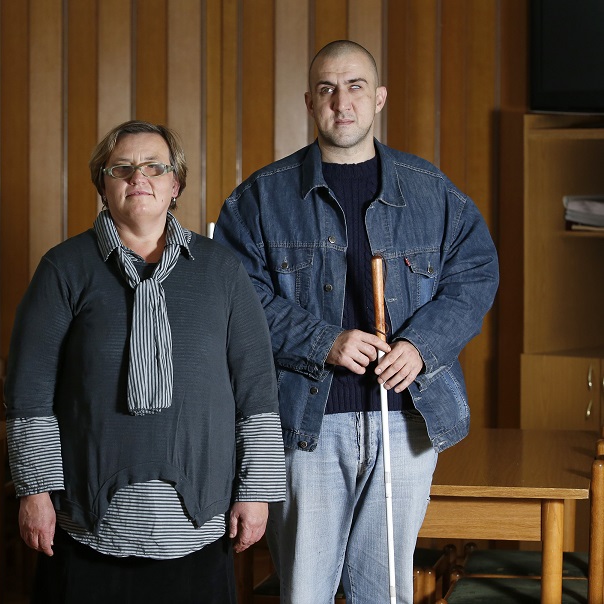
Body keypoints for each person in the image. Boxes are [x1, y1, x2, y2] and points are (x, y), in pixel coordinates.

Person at [213, 40, 499, 604]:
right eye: (326, 88)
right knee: (306, 592)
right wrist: (325, 341)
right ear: (309, 101)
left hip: (406, 425)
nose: (341, 101)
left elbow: (475, 274)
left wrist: (420, 345)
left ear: (380, 99)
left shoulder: (431, 192)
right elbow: (237, 299)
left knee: (384, 592)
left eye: (355, 86)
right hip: (305, 426)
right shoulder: (260, 199)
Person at [5, 119, 286, 604]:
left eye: (155, 167)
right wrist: (34, 492)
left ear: (175, 184)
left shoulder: (222, 271)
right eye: (123, 168)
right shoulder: (64, 268)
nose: (140, 177)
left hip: (196, 524)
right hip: (88, 522)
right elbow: (30, 391)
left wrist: (255, 491)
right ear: (103, 185)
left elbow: (257, 390)